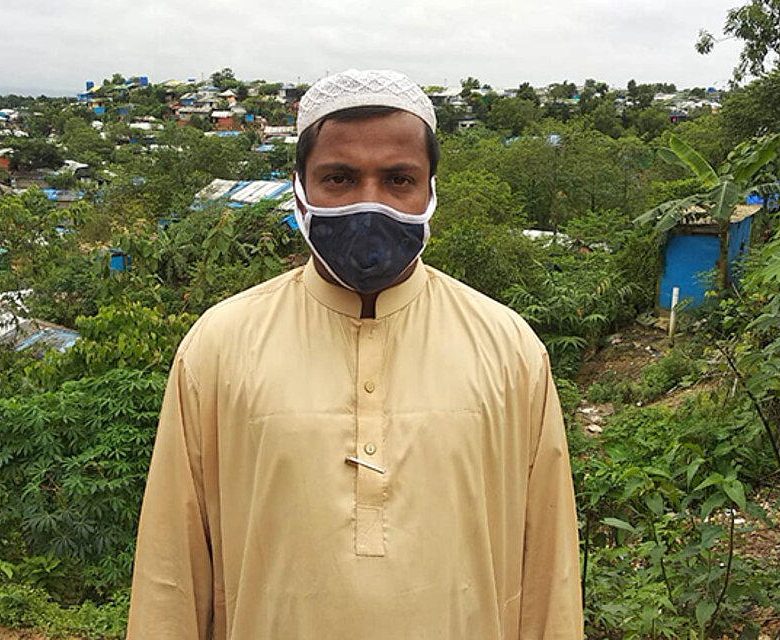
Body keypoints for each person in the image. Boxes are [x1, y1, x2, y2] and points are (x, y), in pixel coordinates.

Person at [126, 69, 583, 640]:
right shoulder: (219, 347)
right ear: (299, 187)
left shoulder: (509, 350)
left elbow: (549, 574)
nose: (371, 204)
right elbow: (172, 573)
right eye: (339, 178)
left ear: (431, 190)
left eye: (398, 179)